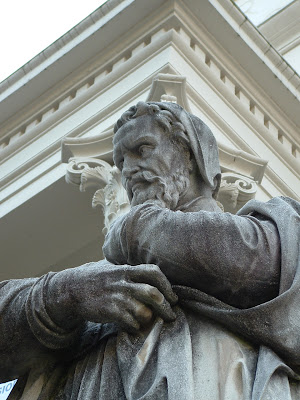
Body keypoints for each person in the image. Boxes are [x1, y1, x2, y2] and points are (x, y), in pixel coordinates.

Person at [1, 102, 300, 399]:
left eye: (142, 149)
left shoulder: (276, 226)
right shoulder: (95, 281)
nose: (128, 170)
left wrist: (137, 229)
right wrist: (64, 294)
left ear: (192, 157)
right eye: (120, 162)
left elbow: (258, 260)